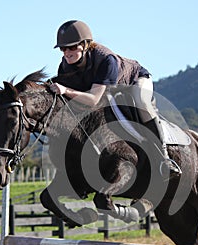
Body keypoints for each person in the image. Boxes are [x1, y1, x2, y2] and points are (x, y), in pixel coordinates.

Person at [50, 20, 181, 178]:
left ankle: (164, 158)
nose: (67, 52)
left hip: (134, 80)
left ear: (85, 45)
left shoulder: (106, 60)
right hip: (109, 90)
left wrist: (65, 90)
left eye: (72, 47)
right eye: (63, 48)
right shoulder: (66, 64)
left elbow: (93, 99)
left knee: (142, 102)